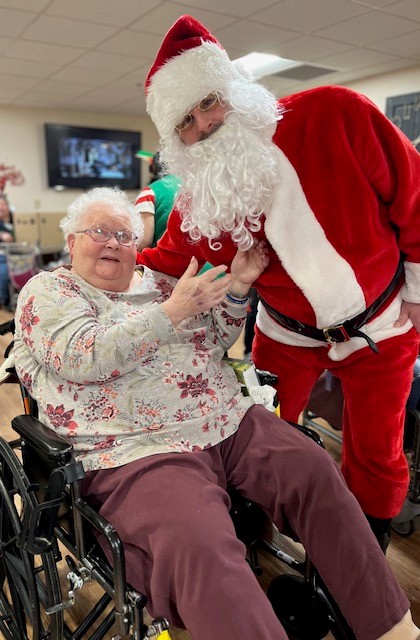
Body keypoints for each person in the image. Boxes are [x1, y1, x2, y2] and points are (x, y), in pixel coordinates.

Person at [12, 186, 420, 640]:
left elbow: (216, 338)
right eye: (99, 232)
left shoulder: (161, 280)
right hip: (133, 448)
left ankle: (392, 628)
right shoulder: (48, 291)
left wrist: (239, 287)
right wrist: (171, 312)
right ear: (71, 242)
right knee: (197, 540)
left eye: (125, 235)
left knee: (315, 470)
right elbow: (81, 356)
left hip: (226, 418)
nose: (113, 242)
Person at [138, 14, 420, 551]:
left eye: (209, 102)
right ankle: (261, 533)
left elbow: (414, 197)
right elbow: (168, 260)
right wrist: (93, 266)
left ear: (237, 93)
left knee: (377, 451)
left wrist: (418, 289)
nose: (204, 125)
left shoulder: (337, 112)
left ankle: (365, 549)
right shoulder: (201, 200)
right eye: (186, 121)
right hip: (285, 335)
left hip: (383, 324)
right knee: (263, 436)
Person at [134, 151, 181, 251]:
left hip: (171, 263)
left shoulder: (149, 193)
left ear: (153, 168)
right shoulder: (196, 187)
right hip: (210, 263)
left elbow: (144, 242)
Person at [0, 194, 14, 307]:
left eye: (3, 204)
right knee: (3, 270)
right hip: (2, 256)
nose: (1, 207)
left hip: (16, 255)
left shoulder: (15, 220)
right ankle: (4, 300)